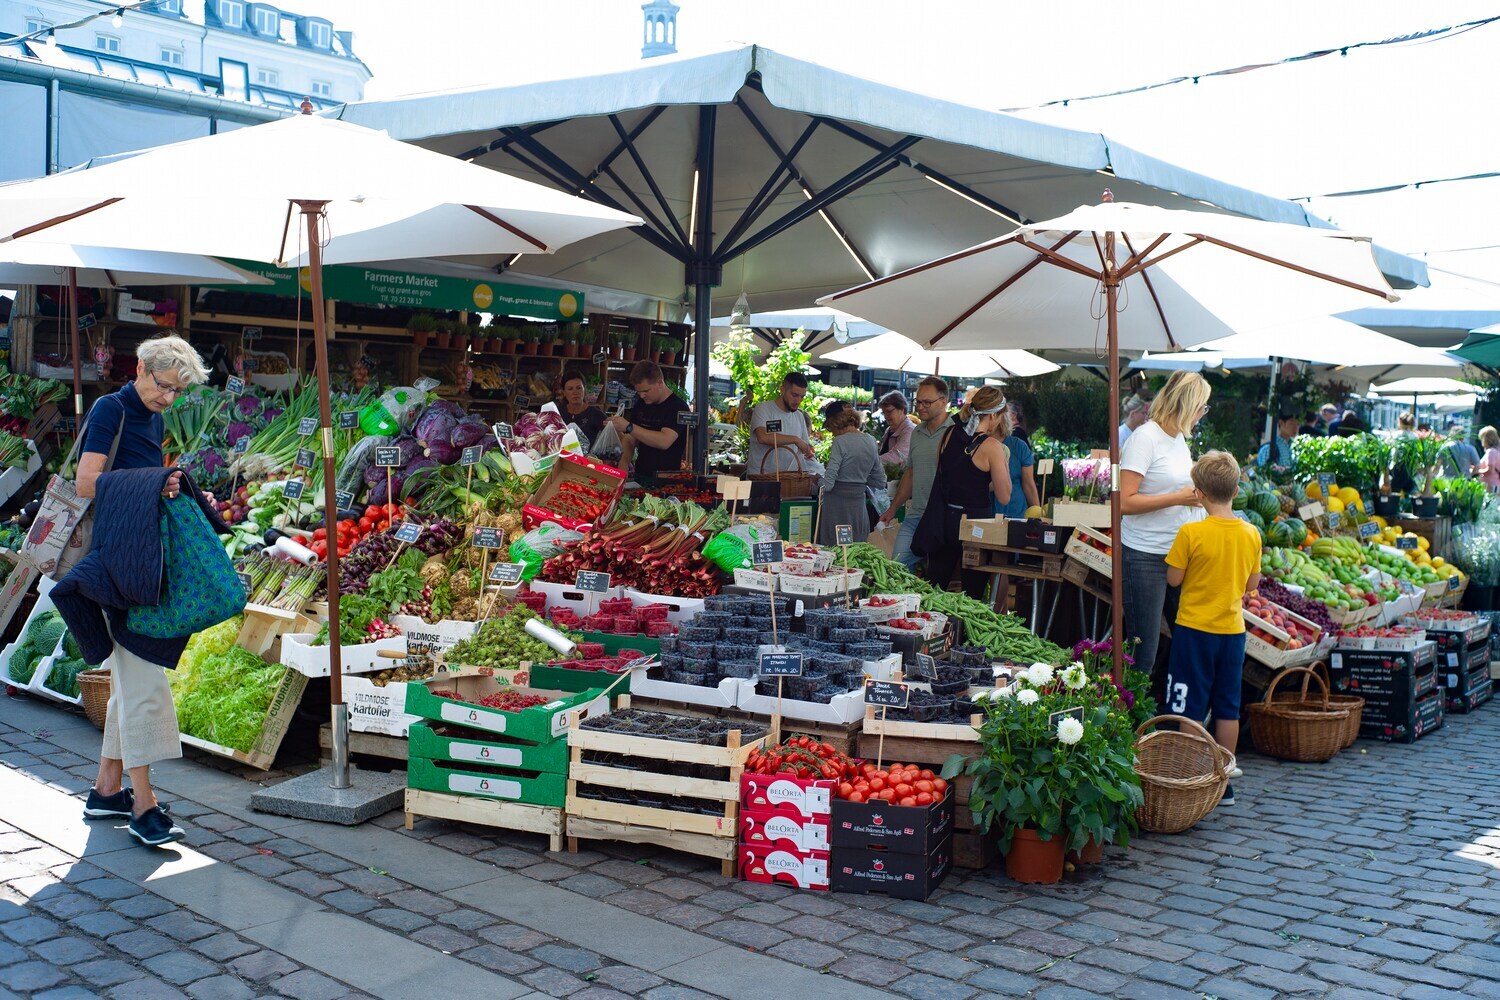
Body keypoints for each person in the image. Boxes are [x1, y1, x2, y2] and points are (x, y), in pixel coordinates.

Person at [78, 335, 210, 848]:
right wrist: (152, 482)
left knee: (132, 679)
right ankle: (143, 804)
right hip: (115, 562)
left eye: (178, 392)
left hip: (139, 557)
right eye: (164, 386)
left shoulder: (153, 416)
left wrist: (165, 483)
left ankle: (106, 790)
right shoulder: (110, 410)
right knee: (146, 683)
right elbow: (88, 480)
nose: (169, 400)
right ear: (140, 368)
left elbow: (141, 478)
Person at [1164, 450, 1262, 806]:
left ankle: (1192, 777)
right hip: (1233, 633)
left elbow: (1173, 579)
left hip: (1193, 631)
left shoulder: (1191, 532)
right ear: (1236, 491)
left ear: (1198, 492)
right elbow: (1252, 585)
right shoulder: (1251, 533)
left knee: (1188, 706)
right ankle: (1224, 782)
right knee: (1227, 707)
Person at [1119, 369, 1210, 700]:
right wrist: (1179, 497)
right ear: (1188, 405)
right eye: (1203, 406)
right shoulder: (1144, 438)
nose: (1203, 414)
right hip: (1144, 555)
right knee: (1144, 649)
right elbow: (1124, 503)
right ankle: (1127, 728)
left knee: (1186, 638)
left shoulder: (1178, 440)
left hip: (1177, 555)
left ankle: (1163, 712)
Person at [914, 385, 1012, 600]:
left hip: (943, 520)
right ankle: (964, 633)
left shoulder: (948, 434)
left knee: (935, 587)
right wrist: (1002, 465)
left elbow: (946, 475)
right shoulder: (992, 446)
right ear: (994, 415)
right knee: (973, 595)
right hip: (977, 526)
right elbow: (1004, 496)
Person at [879, 376, 955, 569]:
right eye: (918, 401)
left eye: (927, 402)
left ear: (944, 401)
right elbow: (911, 473)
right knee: (897, 566)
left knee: (939, 577)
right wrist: (893, 508)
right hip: (916, 515)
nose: (920, 407)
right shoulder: (917, 433)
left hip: (946, 519)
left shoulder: (958, 431)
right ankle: (905, 600)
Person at [816, 401, 885, 546]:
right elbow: (880, 481)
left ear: (835, 423)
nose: (832, 433)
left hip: (836, 508)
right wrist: (859, 478)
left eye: (830, 428)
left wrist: (817, 481)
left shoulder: (840, 442)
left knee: (835, 553)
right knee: (856, 551)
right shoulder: (871, 441)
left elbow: (828, 485)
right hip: (858, 509)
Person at [608, 361, 689, 480]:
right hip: (640, 475)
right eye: (639, 392)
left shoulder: (678, 407)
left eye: (646, 391)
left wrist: (629, 427)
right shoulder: (641, 404)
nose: (642, 396)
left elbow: (664, 441)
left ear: (660, 383)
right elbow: (630, 438)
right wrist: (623, 463)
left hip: (666, 480)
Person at [996, 410, 1040, 519]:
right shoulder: (977, 444)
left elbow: (1029, 484)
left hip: (1016, 512)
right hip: (985, 514)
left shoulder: (1019, 446)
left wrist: (1038, 516)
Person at [557, 369, 604, 448]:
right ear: (564, 392)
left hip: (587, 459)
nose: (575, 392)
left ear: (584, 389)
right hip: (560, 459)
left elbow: (615, 434)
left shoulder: (596, 415)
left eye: (579, 388)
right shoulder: (557, 413)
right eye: (570, 389)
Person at [877, 390, 912, 465]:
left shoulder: (910, 431)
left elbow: (897, 456)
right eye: (884, 412)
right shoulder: (889, 429)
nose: (886, 416)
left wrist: (870, 462)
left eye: (889, 412)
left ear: (902, 409)